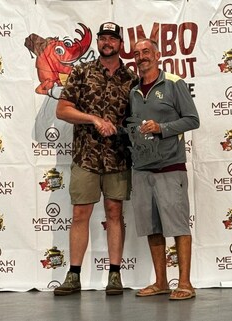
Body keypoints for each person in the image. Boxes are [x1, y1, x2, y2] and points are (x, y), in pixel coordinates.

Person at [53, 22, 138, 296]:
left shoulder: (131, 79)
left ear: (120, 44)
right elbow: (62, 110)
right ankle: (73, 275)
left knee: (115, 213)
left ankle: (115, 275)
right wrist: (93, 119)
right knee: (80, 214)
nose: (107, 42)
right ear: (98, 42)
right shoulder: (81, 72)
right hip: (85, 156)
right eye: (103, 38)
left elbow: (138, 118)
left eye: (113, 38)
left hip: (118, 157)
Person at [127, 38, 200, 300]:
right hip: (142, 169)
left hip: (170, 166)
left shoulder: (173, 82)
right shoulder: (133, 89)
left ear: (157, 55)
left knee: (178, 226)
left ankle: (185, 283)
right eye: (137, 53)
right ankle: (160, 282)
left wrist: (162, 129)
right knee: (152, 226)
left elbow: (193, 119)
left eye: (146, 51)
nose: (141, 56)